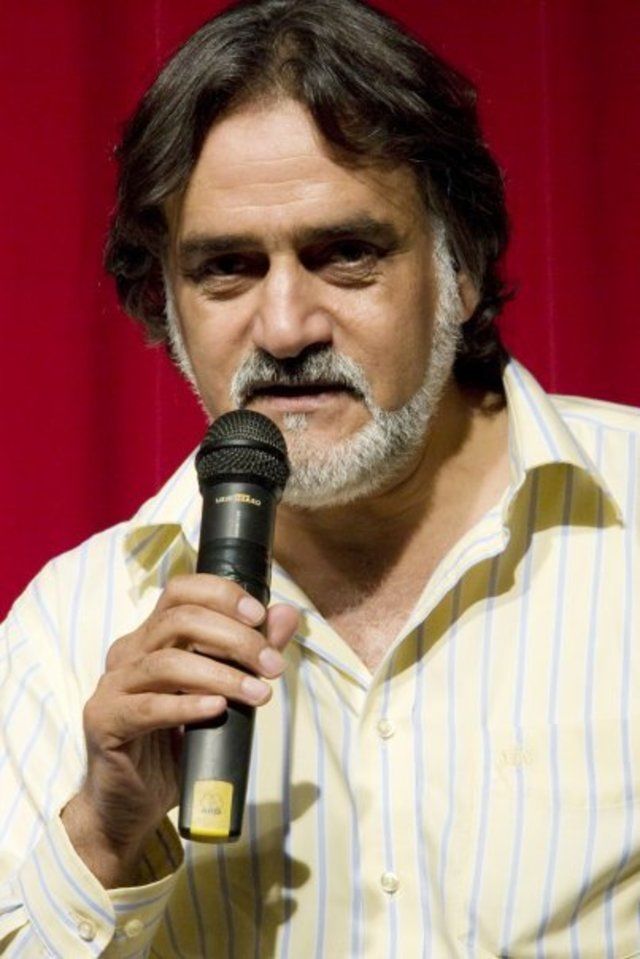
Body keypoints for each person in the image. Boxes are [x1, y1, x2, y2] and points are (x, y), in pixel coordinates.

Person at [1, 0, 639, 956]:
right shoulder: (70, 627)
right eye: (227, 268)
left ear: (460, 268)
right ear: (166, 302)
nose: (286, 327)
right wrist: (102, 831)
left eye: (346, 254)